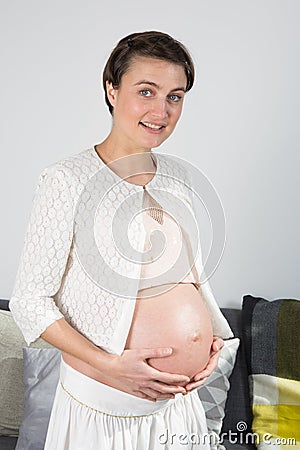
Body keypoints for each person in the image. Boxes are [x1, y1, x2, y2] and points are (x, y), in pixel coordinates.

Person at [10, 31, 233, 450]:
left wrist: (209, 343)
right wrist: (111, 365)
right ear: (111, 89)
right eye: (146, 91)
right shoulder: (67, 179)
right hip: (106, 410)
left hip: (178, 408)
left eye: (175, 96)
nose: (162, 110)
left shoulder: (179, 177)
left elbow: (185, 280)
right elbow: (29, 301)